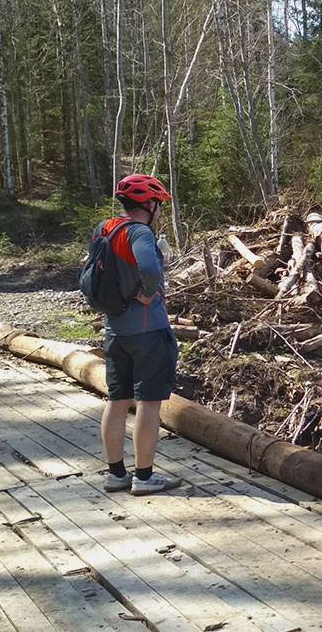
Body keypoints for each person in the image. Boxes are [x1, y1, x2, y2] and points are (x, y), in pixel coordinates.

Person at [99, 174, 182, 496]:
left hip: (115, 330)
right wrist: (148, 292)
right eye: (157, 205)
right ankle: (144, 478)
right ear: (148, 204)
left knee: (117, 401)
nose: (159, 210)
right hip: (148, 331)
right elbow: (149, 269)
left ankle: (115, 474)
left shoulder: (105, 229)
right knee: (149, 403)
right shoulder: (140, 233)